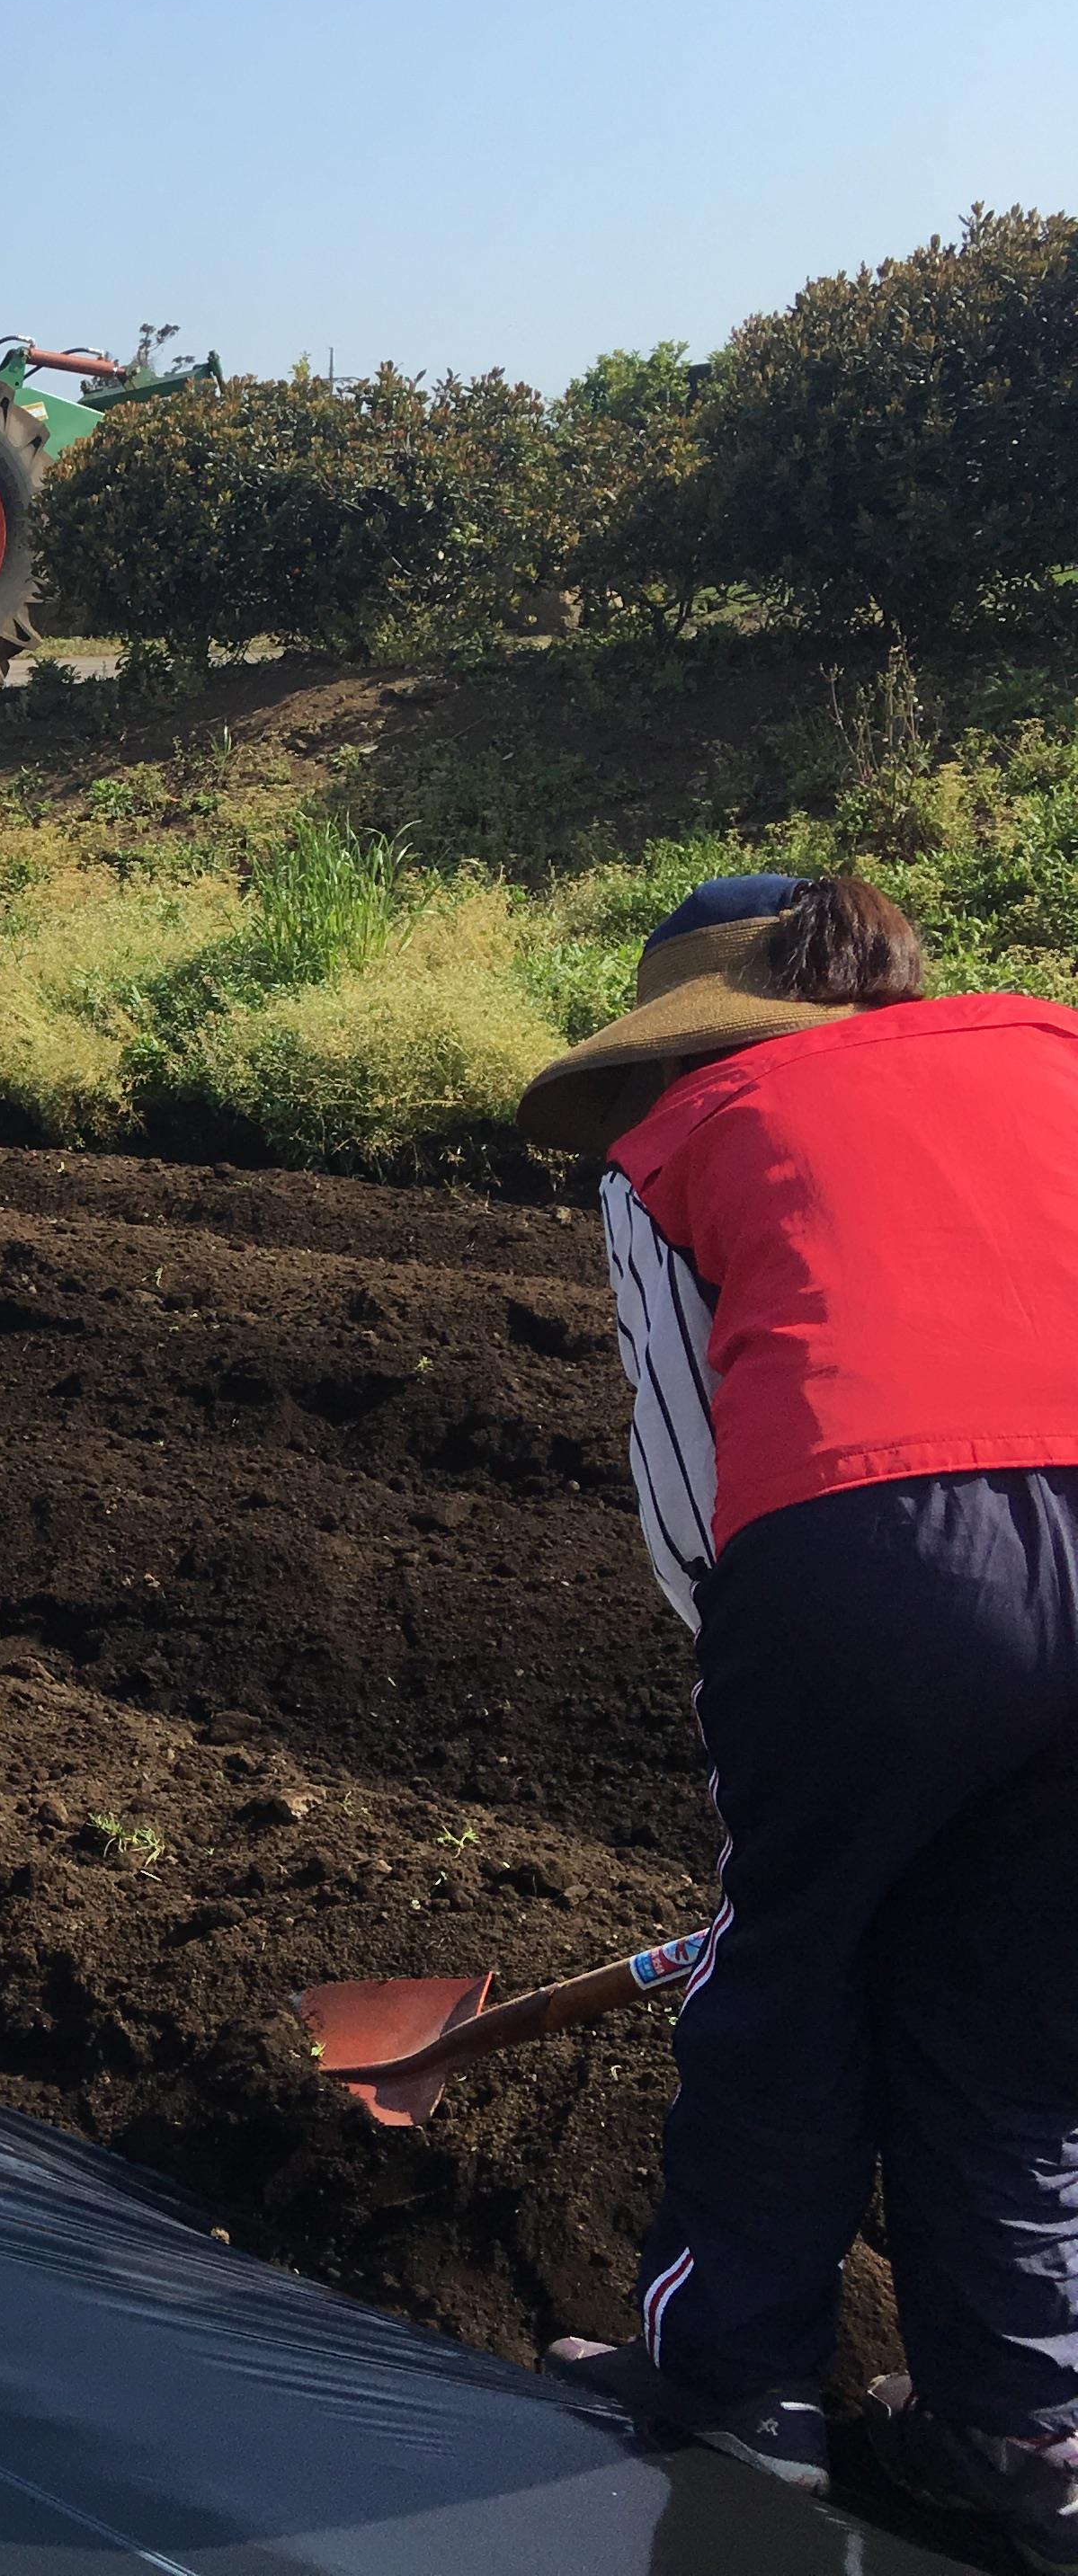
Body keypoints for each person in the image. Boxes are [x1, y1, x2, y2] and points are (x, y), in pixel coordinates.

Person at [522, 873, 1078, 2563]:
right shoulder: (1054, 1050)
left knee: (793, 1960)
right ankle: (1021, 2430)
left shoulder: (686, 1134)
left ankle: (735, 2381)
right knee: (1016, 2006)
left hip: (866, 1546)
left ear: (690, 1032)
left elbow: (694, 1476)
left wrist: (778, 1712)